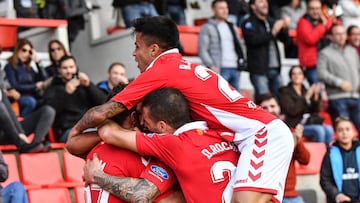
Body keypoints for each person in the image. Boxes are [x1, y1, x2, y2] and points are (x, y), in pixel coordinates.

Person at [69, 16, 294, 203]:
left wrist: (77, 134)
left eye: (137, 47)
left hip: (261, 134)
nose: (134, 54)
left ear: (154, 49)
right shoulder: (190, 70)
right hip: (253, 135)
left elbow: (100, 116)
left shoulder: (160, 77)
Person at [92, 88, 239, 203]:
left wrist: (97, 176)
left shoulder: (172, 146)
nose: (142, 124)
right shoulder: (223, 134)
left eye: (146, 121)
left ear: (162, 126)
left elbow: (107, 132)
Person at [67, 85, 183, 203]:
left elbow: (71, 144)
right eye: (142, 113)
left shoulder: (94, 152)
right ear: (133, 118)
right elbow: (166, 199)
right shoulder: (147, 157)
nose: (144, 120)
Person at [256, 93, 310, 203]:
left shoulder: (289, 132)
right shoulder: (254, 136)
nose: (270, 110)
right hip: (266, 197)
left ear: (279, 108)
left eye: (273, 106)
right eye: (265, 108)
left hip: (291, 195)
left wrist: (298, 141)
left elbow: (305, 160)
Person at [43, 55, 106, 143]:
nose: (69, 71)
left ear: (76, 68)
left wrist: (89, 85)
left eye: (71, 67)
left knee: (107, 132)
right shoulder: (53, 88)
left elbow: (103, 103)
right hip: (67, 131)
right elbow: (50, 112)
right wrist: (66, 93)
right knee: (96, 136)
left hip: (89, 127)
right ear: (59, 70)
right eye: (65, 68)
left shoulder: (84, 85)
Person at [241, 0, 289, 99]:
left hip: (275, 68)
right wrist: (273, 31)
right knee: (263, 100)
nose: (265, 3)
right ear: (253, 6)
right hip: (259, 70)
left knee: (281, 100)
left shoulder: (271, 21)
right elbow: (254, 40)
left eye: (265, 1)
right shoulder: (248, 23)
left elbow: (286, 41)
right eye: (261, 1)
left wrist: (284, 28)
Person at [317, 24, 360, 134]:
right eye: (337, 34)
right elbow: (321, 73)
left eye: (343, 33)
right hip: (337, 98)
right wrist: (339, 82)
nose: (341, 36)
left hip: (355, 96)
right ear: (331, 37)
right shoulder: (324, 53)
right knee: (343, 132)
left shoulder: (352, 51)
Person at [279, 65, 334, 147]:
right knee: (319, 130)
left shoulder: (305, 90)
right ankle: (320, 156)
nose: (297, 76)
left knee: (329, 129)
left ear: (303, 76)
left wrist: (315, 96)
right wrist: (306, 97)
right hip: (295, 125)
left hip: (309, 122)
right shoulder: (285, 91)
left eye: (299, 73)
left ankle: (327, 155)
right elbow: (292, 110)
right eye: (294, 74)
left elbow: (316, 111)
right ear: (290, 76)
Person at [198, 0, 246, 91]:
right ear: (214, 10)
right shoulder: (207, 27)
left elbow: (240, 45)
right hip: (220, 68)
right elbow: (202, 49)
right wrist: (211, 66)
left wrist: (241, 63)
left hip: (235, 68)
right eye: (221, 8)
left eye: (226, 8)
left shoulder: (232, 26)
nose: (225, 11)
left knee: (236, 100)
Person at [4, 38, 50, 117]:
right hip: (19, 98)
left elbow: (45, 79)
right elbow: (14, 85)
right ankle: (23, 124)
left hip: (33, 96)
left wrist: (38, 63)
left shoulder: (29, 68)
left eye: (30, 52)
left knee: (50, 101)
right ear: (17, 50)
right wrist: (35, 86)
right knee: (30, 102)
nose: (27, 54)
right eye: (24, 50)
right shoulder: (10, 66)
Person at [320, 117, 360, 203]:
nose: (344, 132)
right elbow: (325, 180)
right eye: (340, 130)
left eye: (347, 129)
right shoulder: (330, 154)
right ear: (335, 134)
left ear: (353, 132)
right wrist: (337, 195)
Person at [296, 0, 333, 85]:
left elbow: (330, 23)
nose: (315, 11)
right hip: (312, 64)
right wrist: (322, 26)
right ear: (307, 10)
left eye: (317, 9)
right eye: (312, 9)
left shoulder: (324, 19)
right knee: (317, 90)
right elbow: (310, 39)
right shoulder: (303, 22)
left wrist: (325, 24)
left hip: (325, 62)